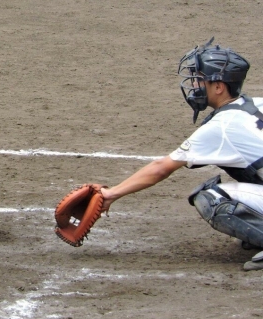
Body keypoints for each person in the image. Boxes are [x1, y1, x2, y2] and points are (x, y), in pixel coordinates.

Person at [100, 38, 263, 270]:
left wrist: (111, 194)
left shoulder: (221, 127)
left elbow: (161, 168)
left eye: (199, 79)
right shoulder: (257, 103)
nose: (194, 85)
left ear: (219, 87)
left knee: (212, 198)